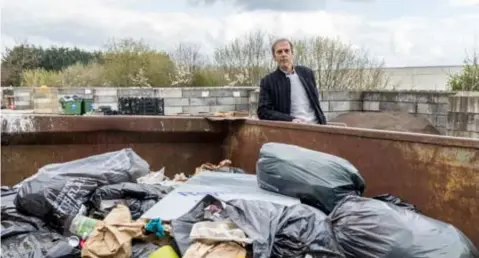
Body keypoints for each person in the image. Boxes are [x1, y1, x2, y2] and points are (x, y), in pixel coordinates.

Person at [257, 38, 327, 124]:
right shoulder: (268, 81)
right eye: (279, 52)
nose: (283, 54)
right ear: (274, 57)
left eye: (287, 51)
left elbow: (316, 104)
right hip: (293, 130)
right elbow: (263, 111)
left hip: (317, 126)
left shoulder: (307, 73)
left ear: (292, 54)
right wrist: (290, 119)